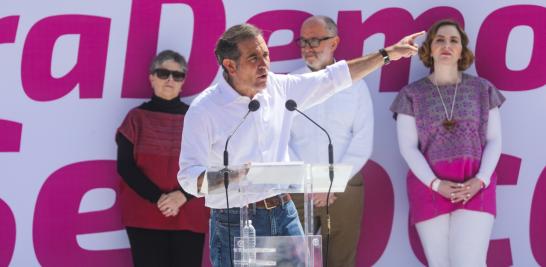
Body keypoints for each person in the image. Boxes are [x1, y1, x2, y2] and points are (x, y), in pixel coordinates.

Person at [178, 23, 423, 266]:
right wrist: (236, 175)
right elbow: (189, 178)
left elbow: (333, 78)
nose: (264, 64)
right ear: (230, 65)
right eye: (254, 58)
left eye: (266, 55)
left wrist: (387, 54)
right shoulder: (205, 110)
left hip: (283, 212)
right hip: (236, 221)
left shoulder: (279, 88)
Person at [390, 20, 505, 267]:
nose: (446, 45)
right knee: (439, 263)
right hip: (429, 189)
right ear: (429, 48)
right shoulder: (410, 95)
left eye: (454, 40)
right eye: (439, 40)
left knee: (470, 261)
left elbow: (495, 140)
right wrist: (436, 184)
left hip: (476, 187)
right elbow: (408, 148)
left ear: (462, 50)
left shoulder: (482, 89)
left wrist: (481, 179)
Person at [288, 16, 373, 267]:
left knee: (341, 260)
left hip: (342, 188)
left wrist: (333, 183)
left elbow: (362, 139)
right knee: (296, 261)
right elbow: (280, 138)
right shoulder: (291, 84)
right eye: (303, 41)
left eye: (315, 40)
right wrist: (308, 181)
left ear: (334, 42)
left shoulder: (356, 84)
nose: (307, 47)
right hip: (299, 187)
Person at [116, 50, 209, 267]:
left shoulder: (198, 119)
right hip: (145, 215)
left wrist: (183, 196)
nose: (170, 80)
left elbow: (212, 166)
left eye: (177, 75)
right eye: (163, 73)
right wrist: (160, 198)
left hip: (189, 214)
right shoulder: (135, 118)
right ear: (151, 76)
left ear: (183, 82)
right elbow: (125, 167)